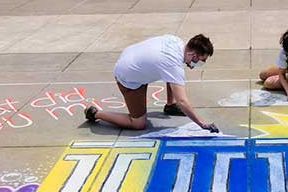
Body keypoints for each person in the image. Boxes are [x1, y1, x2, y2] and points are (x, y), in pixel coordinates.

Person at [85, 34, 219, 132]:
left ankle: (170, 105)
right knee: (138, 124)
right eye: (201, 60)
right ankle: (95, 113)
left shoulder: (176, 41)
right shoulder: (172, 63)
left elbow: (171, 74)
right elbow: (182, 101)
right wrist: (201, 124)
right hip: (127, 77)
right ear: (193, 55)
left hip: (132, 59)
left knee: (173, 76)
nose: (199, 64)